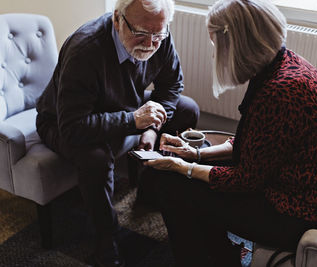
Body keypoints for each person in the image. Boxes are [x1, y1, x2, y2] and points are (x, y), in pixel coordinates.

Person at [137, 0, 317, 266]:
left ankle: (203, 258)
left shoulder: (280, 92)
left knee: (170, 185)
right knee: (183, 174)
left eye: (215, 44)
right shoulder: (282, 64)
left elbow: (245, 180)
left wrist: (183, 167)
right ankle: (215, 248)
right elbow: (256, 144)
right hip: (295, 186)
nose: (213, 54)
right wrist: (197, 154)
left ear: (237, 43)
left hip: (299, 211)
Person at [35, 0, 200, 266]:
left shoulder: (158, 33)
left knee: (187, 109)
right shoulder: (85, 50)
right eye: (141, 34)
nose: (150, 43)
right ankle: (105, 237)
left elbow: (172, 84)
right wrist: (134, 121)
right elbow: (74, 127)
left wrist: (152, 126)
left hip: (122, 107)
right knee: (96, 158)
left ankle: (150, 186)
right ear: (117, 19)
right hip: (61, 121)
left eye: (158, 35)